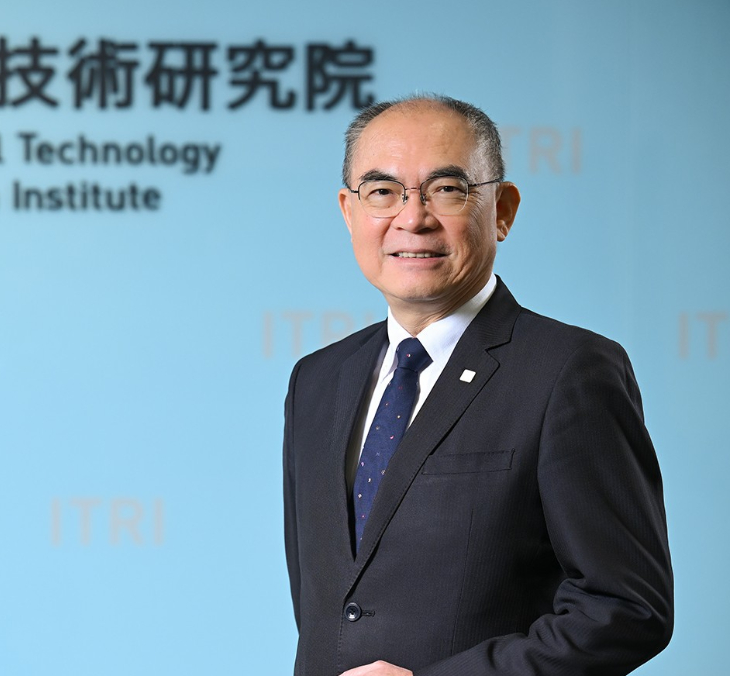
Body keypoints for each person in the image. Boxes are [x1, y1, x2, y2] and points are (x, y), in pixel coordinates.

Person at [282, 95, 673, 676]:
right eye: (382, 191)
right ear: (349, 211)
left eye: (446, 189)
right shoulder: (316, 380)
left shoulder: (569, 371)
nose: (412, 218)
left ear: (503, 210)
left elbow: (627, 608)